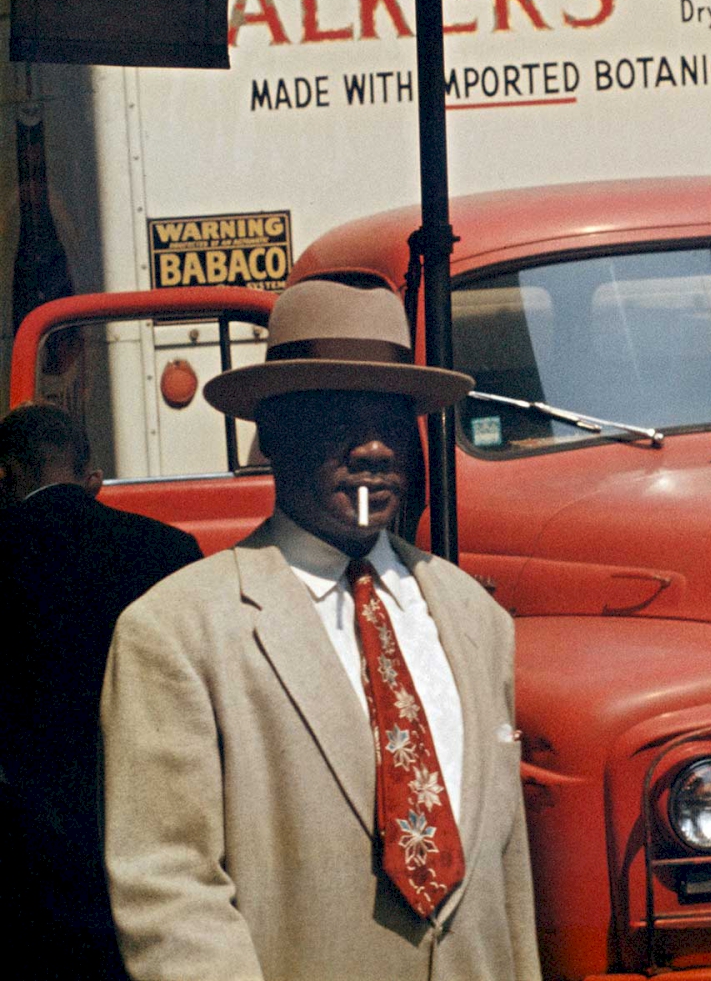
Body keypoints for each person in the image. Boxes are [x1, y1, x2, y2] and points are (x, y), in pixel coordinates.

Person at [101, 279, 542, 981]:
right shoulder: (177, 633)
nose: (373, 448)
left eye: (392, 418)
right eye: (338, 415)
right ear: (272, 432)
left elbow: (508, 873)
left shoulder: (474, 618)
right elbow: (170, 895)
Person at [0, 401, 202, 981]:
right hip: (146, 836)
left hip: (28, 849)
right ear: (87, 470)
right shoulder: (168, 550)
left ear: (9, 473)